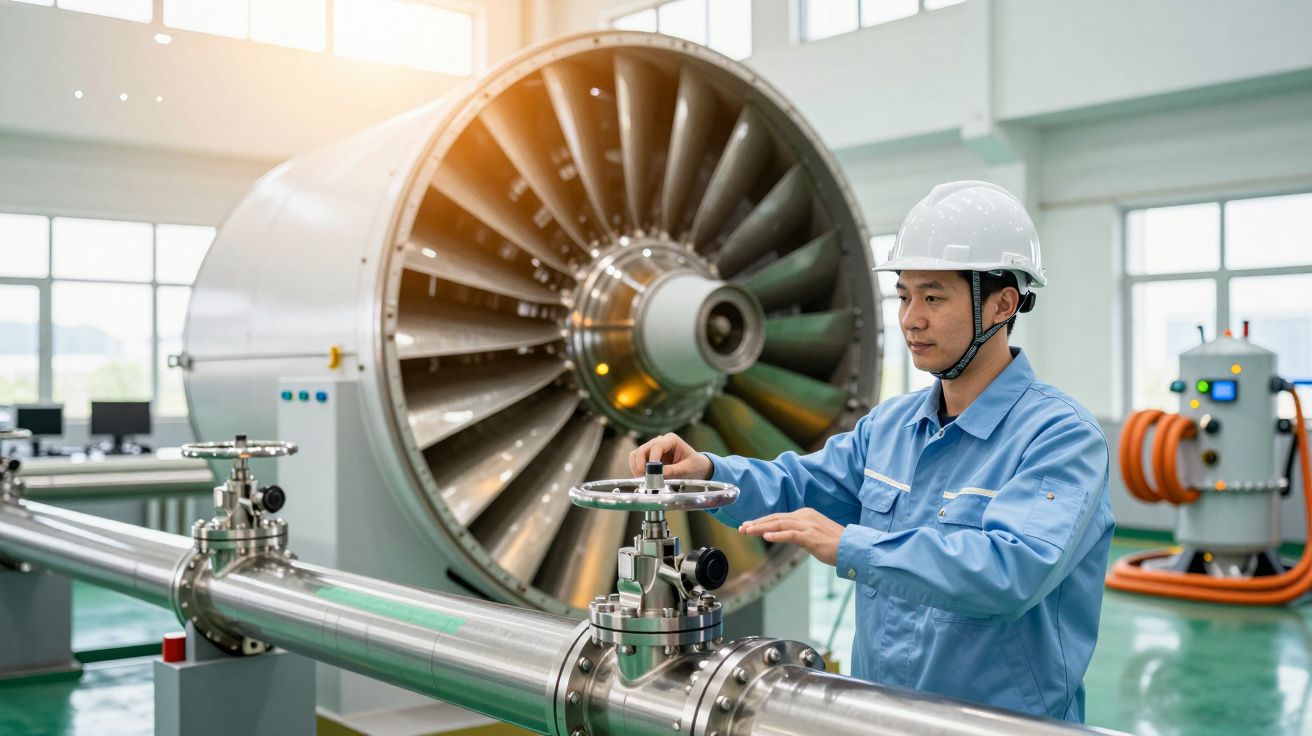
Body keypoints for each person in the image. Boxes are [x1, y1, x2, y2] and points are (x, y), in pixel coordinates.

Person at [629, 181, 1114, 722]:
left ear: (1002, 304)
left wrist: (855, 546)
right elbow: (800, 484)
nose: (911, 319)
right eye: (904, 296)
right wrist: (709, 472)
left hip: (998, 726)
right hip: (878, 717)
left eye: (934, 297)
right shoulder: (891, 426)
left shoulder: (1059, 437)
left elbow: (1011, 571)